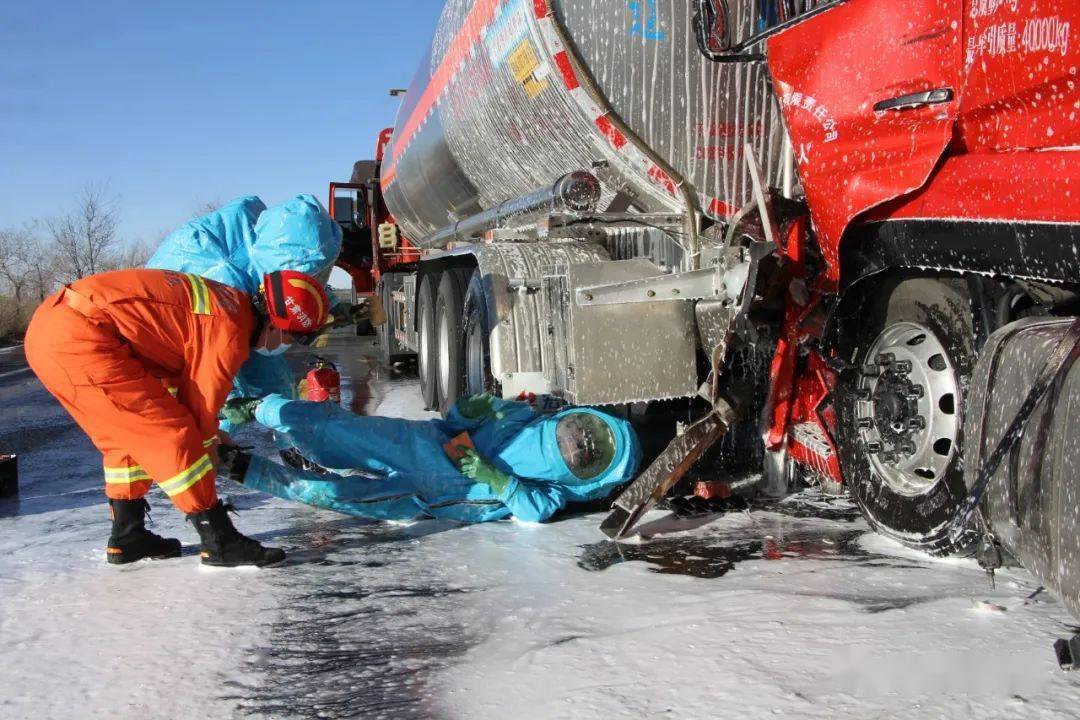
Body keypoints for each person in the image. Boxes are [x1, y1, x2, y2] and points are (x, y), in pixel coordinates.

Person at [24, 267, 332, 566]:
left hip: (56, 330)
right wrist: (213, 443)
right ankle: (219, 541)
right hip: (80, 338)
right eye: (293, 338)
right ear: (276, 324)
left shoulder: (229, 307)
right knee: (174, 436)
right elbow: (199, 412)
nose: (288, 346)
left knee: (130, 438)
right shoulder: (228, 331)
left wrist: (212, 433)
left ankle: (128, 536)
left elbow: (179, 385)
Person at [217, 393, 642, 523]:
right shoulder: (525, 416)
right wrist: (470, 411)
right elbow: (461, 422)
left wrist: (497, 481)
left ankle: (247, 469)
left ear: (590, 478)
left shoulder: (557, 490)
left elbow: (535, 510)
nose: (578, 443)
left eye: (587, 454)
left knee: (337, 495)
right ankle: (257, 408)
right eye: (585, 434)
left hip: (426, 495)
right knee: (332, 427)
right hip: (420, 442)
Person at [145, 195, 347, 441]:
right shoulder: (222, 282)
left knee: (277, 390)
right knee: (222, 402)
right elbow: (208, 366)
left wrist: (330, 306)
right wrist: (225, 403)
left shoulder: (272, 248)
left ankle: (297, 450)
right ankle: (214, 450)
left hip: (240, 312)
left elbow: (297, 278)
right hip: (182, 333)